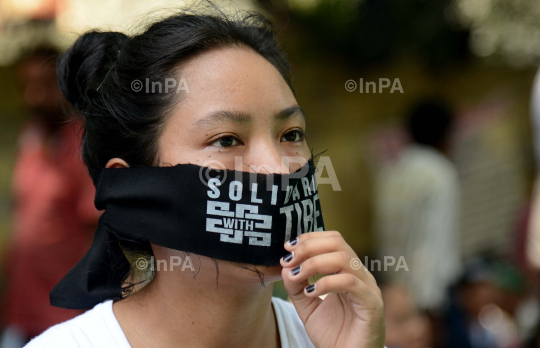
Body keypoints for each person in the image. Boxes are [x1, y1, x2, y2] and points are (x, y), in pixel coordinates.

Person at [24, 2, 386, 348]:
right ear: (132, 189)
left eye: (291, 135)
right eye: (227, 140)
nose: (279, 168)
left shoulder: (344, 339)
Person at [0, 47, 100, 346]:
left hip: (63, 315)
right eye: (28, 86)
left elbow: (96, 232)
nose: (34, 96)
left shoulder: (83, 146)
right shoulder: (31, 138)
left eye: (44, 85)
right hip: (21, 309)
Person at [374, 98, 461, 312]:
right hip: (430, 297)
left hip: (395, 291)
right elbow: (434, 240)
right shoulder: (440, 172)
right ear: (445, 134)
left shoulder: (391, 172)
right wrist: (430, 306)